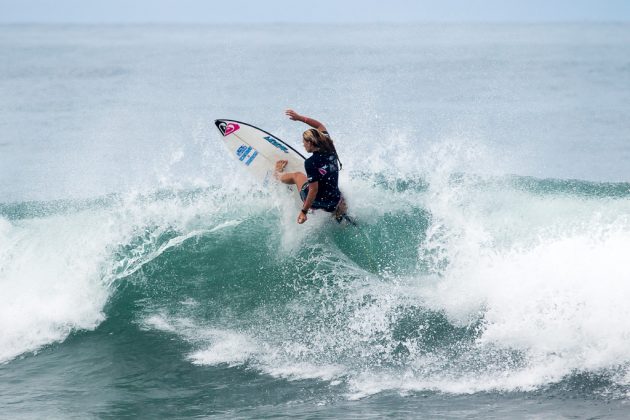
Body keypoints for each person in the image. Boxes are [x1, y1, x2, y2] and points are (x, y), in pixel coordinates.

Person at [275, 109, 347, 224]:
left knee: (297, 175)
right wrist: (300, 118)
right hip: (334, 200)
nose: (303, 145)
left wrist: (304, 211)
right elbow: (319, 125)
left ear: (310, 143)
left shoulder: (311, 162)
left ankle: (278, 174)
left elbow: (313, 190)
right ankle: (338, 211)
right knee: (337, 193)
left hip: (317, 202)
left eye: (304, 142)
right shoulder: (330, 146)